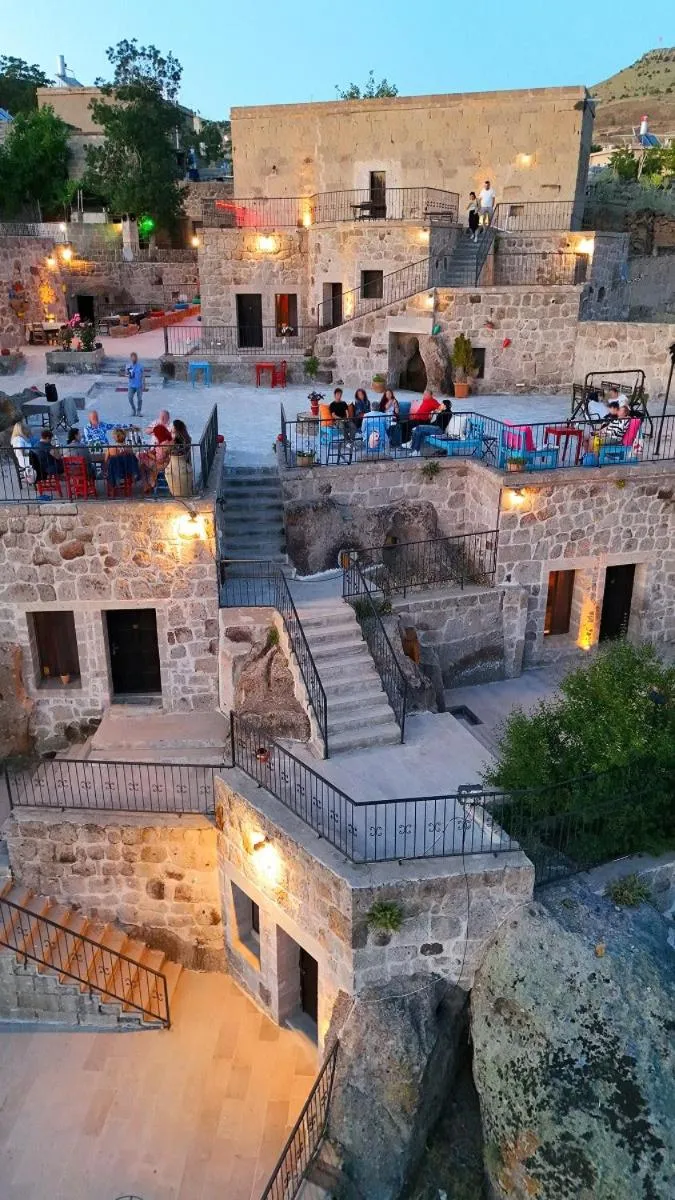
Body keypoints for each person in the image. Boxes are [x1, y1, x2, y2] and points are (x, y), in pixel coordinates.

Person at [139, 424, 173, 493]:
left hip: (162, 464)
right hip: (166, 462)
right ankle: (150, 484)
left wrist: (148, 453)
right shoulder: (168, 440)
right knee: (143, 465)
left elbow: (159, 459)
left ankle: (148, 485)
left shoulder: (163, 445)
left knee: (142, 464)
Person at [165, 419, 194, 497]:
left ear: (175, 428)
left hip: (178, 461)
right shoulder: (185, 436)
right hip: (186, 460)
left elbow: (172, 450)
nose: (171, 427)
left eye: (172, 426)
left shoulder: (177, 438)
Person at [126, 352, 144, 417]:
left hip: (139, 385)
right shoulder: (128, 366)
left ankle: (139, 411)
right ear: (131, 358)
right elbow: (127, 374)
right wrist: (128, 373)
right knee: (130, 398)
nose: (134, 359)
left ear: (136, 358)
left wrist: (144, 384)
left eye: (135, 357)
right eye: (132, 357)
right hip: (131, 385)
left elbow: (143, 375)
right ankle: (133, 409)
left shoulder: (140, 366)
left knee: (140, 399)